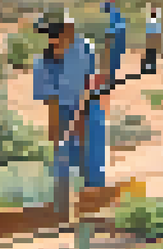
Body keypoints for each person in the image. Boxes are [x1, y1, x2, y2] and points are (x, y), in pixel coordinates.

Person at [32, 10, 107, 192]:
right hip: (63, 112)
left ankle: (94, 199)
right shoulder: (43, 63)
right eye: (49, 34)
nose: (53, 39)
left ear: (69, 31)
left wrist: (82, 117)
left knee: (92, 161)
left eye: (57, 33)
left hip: (90, 109)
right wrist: (55, 130)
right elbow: (51, 101)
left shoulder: (84, 48)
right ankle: (64, 200)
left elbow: (89, 85)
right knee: (64, 162)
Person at [101, 0, 127, 80]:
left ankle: (110, 78)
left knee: (112, 61)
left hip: (114, 38)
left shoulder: (115, 13)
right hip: (110, 38)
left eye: (108, 0)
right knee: (108, 61)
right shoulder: (106, 12)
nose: (106, 2)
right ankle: (108, 78)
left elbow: (120, 27)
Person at [143, 5, 163, 74]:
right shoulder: (155, 21)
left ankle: (150, 68)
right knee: (151, 54)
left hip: (151, 38)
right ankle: (151, 68)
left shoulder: (154, 22)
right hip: (151, 39)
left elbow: (155, 33)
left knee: (150, 54)